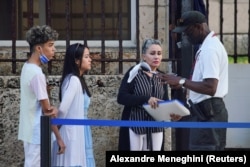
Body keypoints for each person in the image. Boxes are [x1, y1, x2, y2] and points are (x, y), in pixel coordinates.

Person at [158, 11, 229, 151]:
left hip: (209, 113)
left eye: (187, 31)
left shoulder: (210, 49)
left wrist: (182, 81)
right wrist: (181, 85)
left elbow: (210, 87)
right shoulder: (208, 46)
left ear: (199, 27)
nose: (185, 35)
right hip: (205, 112)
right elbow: (203, 86)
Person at [117, 38, 180, 151]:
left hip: (156, 128)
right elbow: (122, 97)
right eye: (152, 53)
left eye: (159, 54)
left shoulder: (162, 76)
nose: (156, 57)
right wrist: (146, 99)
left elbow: (164, 102)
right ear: (144, 56)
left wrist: (172, 113)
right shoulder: (134, 72)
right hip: (135, 125)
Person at [18, 25, 65, 167]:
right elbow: (47, 111)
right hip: (37, 132)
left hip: (29, 130)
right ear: (39, 48)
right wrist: (59, 138)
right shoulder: (37, 74)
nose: (54, 50)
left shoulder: (26, 67)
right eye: (50, 45)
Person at [52, 43, 95, 166]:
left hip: (80, 129)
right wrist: (57, 133)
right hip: (73, 131)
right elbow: (63, 109)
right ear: (77, 60)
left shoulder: (76, 79)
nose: (90, 59)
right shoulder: (73, 80)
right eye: (86, 56)